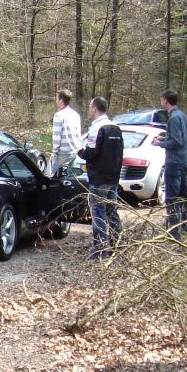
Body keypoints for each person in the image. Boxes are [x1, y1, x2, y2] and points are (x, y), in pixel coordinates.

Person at [77, 96, 123, 260]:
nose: (89, 110)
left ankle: (100, 251)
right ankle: (118, 245)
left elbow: (90, 153)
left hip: (99, 179)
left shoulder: (96, 128)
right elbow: (120, 154)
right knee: (112, 212)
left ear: (95, 109)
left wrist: (79, 150)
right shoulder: (116, 128)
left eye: (90, 107)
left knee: (98, 213)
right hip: (113, 178)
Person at [152, 88, 187, 237]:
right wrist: (164, 137)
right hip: (183, 161)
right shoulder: (181, 115)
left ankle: (174, 232)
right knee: (183, 196)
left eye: (161, 99)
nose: (160, 101)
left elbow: (177, 141)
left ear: (166, 101)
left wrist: (159, 144)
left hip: (175, 162)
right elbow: (179, 137)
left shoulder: (174, 118)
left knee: (172, 198)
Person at [50, 89, 83, 176]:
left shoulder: (58, 115)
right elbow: (78, 134)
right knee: (71, 178)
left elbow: (57, 137)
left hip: (62, 154)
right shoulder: (75, 115)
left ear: (61, 101)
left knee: (52, 178)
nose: (56, 101)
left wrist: (54, 153)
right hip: (74, 152)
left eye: (57, 99)